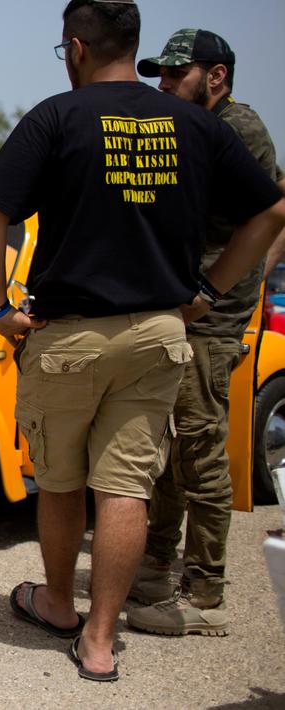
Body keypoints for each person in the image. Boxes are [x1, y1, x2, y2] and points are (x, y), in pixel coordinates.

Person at [0, 0, 285, 682]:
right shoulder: (196, 124)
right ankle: (100, 643)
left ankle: (57, 604)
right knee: (125, 489)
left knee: (59, 483)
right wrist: (207, 290)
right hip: (157, 334)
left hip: (69, 333)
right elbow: (270, 211)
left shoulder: (57, 115)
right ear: (130, 45)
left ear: (77, 47)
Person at [128, 28, 285, 637]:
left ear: (215, 76)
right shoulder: (191, 126)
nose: (163, 84)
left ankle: (205, 586)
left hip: (209, 317)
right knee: (165, 451)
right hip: (182, 309)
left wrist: (227, 295)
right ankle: (156, 567)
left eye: (175, 74)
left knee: (198, 447)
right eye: (159, 74)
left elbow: (272, 213)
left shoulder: (237, 129)